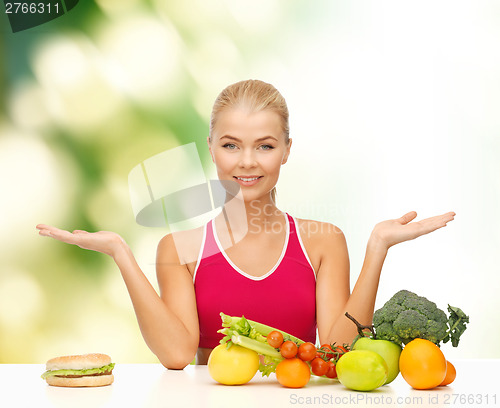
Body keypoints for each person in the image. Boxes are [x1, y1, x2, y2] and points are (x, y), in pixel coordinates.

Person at [36, 79, 455, 369]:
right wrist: (120, 254)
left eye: (265, 146)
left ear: (287, 151)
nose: (248, 161)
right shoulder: (179, 250)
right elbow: (178, 355)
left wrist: (377, 247)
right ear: (212, 149)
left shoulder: (323, 242)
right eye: (231, 145)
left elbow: (336, 349)